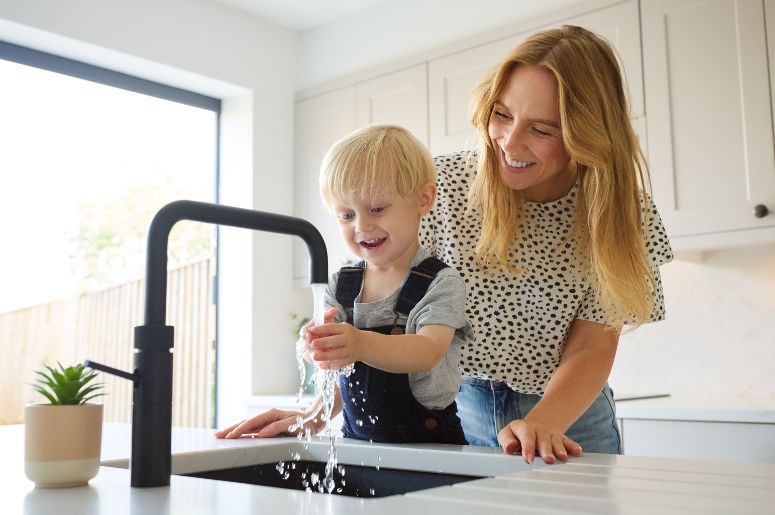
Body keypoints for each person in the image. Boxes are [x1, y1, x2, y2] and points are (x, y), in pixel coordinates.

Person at [419, 24, 673, 464]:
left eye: (542, 130)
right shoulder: (440, 188)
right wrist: (318, 409)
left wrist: (546, 421)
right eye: (502, 114)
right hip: (457, 407)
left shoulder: (618, 209)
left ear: (587, 135)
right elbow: (387, 314)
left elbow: (593, 343)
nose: (510, 144)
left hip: (572, 416)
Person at [215, 124, 473, 444]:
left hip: (433, 448)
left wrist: (359, 344)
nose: (362, 226)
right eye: (346, 215)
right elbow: (339, 373)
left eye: (377, 208)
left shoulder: (441, 282)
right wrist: (316, 386)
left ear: (424, 199)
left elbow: (427, 350)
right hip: (357, 444)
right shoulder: (341, 285)